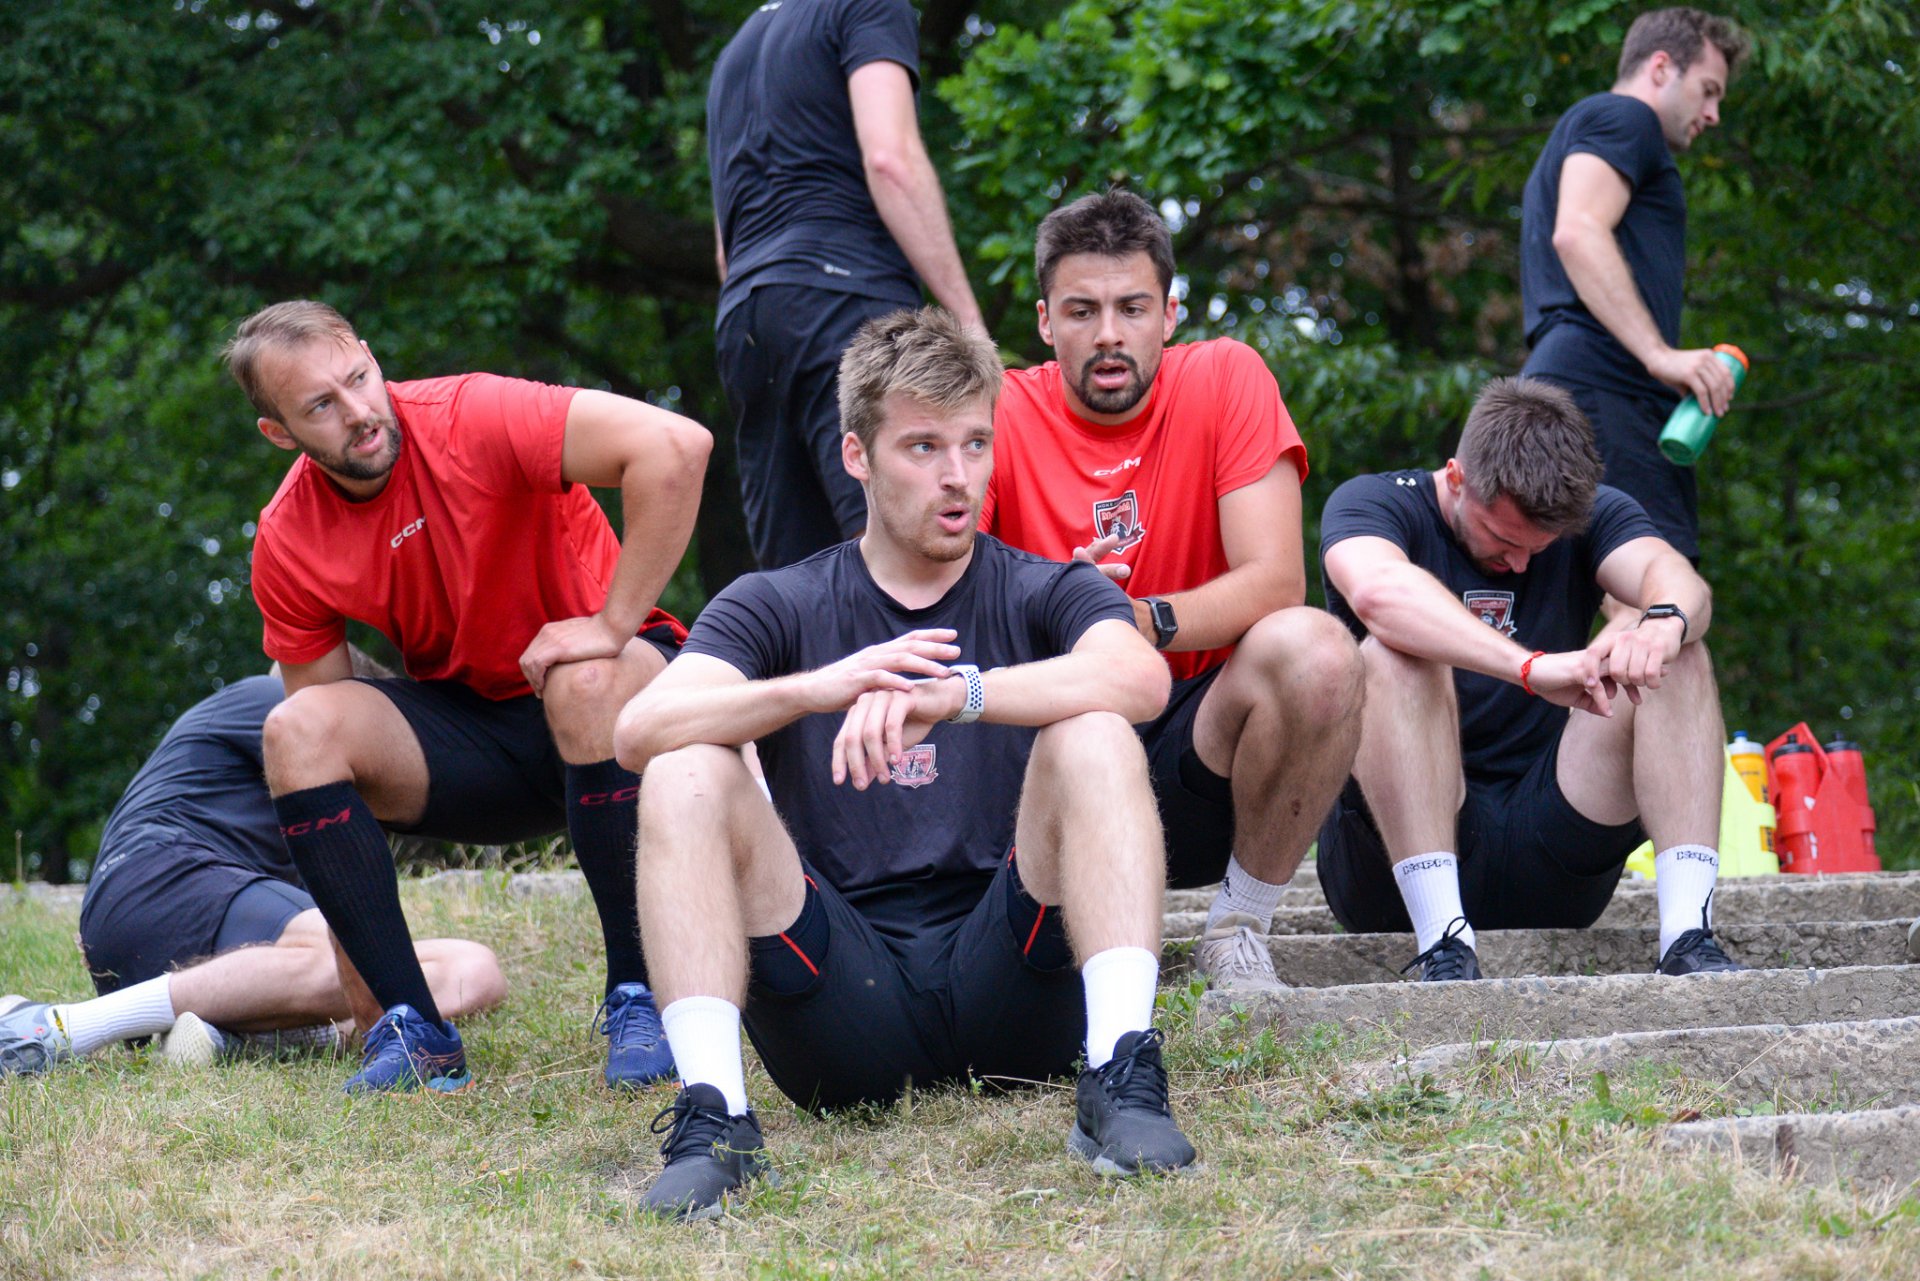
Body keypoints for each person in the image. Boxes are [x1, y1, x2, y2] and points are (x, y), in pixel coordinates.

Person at [614, 308, 1197, 1220]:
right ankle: (715, 1120)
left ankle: (1120, 1074)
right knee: (684, 769)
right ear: (857, 455)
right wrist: (817, 688)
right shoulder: (779, 602)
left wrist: (959, 693)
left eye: (974, 443)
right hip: (837, 996)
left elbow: (1141, 678)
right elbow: (640, 728)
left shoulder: (1046, 586)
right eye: (923, 446)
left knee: (1095, 727)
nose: (957, 475)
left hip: (1016, 974)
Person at [226, 300, 710, 1093]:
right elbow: (329, 766)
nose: (358, 410)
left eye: (359, 378)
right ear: (279, 433)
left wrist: (611, 622)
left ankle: (642, 995)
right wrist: (361, 988)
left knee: (584, 678)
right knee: (295, 729)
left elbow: (677, 446)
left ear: (373, 357)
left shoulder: (472, 413)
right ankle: (411, 1031)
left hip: (622, 710)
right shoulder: (288, 533)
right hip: (480, 738)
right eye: (320, 405)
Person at [982, 190, 1363, 991]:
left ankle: (1239, 926)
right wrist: (1055, 605)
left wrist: (1132, 618)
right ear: (1045, 322)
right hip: (1044, 754)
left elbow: (1276, 581)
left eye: (1132, 307)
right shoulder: (999, 407)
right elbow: (933, 590)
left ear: (1170, 314)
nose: (1109, 333)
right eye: (1082, 310)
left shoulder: (1225, 375)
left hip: (1199, 742)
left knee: (1321, 649)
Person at [1316, 376, 1744, 981]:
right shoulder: (1374, 502)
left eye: (1541, 549)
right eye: (1503, 538)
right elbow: (1379, 594)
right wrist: (1530, 668)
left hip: (1548, 848)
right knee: (1393, 652)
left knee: (1677, 647)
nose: (1520, 563)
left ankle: (1688, 940)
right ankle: (1442, 947)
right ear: (1456, 478)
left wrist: (1662, 624)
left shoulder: (1594, 514)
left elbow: (1673, 576)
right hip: (1390, 870)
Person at [0, 668, 505, 1077]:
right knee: (385, 962)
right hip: (168, 873)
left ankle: (229, 1037)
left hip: (142, 927)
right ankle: (63, 1025)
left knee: (473, 972)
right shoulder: (284, 704)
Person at [707, 0, 985, 569]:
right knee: (906, 559)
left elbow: (724, 251)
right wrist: (968, 323)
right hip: (846, 300)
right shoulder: (867, 6)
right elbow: (890, 159)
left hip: (746, 319)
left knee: (797, 581)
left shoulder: (734, 55)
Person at [1519, 7, 1750, 562]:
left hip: (1577, 381)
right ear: (1661, 66)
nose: (1713, 114)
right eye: (1708, 91)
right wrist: (1658, 355)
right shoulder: (1624, 117)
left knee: (1572, 588)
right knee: (1658, 590)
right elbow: (1578, 231)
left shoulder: (1600, 126)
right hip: (1606, 386)